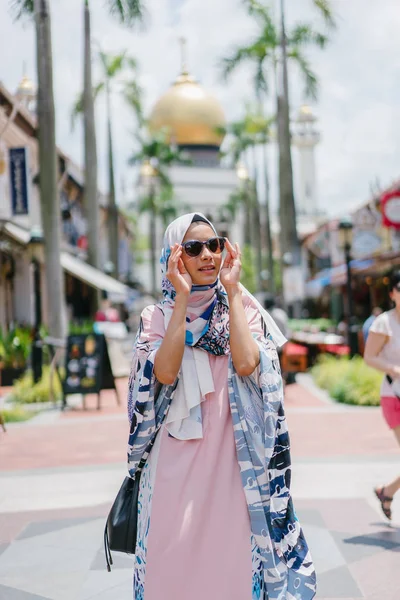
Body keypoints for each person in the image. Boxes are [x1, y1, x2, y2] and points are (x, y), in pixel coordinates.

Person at [127, 213, 316, 600]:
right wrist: (182, 298)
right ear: (174, 256)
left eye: (214, 245)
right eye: (193, 248)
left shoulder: (242, 307)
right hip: (174, 460)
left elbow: (248, 362)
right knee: (170, 557)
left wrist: (231, 292)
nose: (208, 255)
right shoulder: (157, 316)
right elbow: (163, 372)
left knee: (231, 561)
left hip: (234, 456)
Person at [364, 270, 400, 521]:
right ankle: (386, 492)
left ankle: (386, 491)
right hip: (394, 395)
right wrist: (395, 369)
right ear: (392, 294)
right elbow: (369, 357)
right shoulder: (384, 323)